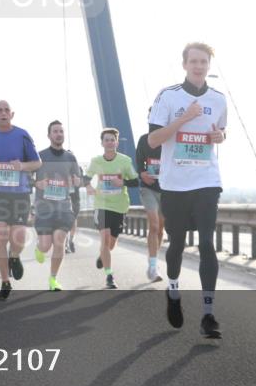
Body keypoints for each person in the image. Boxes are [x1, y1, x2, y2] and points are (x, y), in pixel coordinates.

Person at [148, 41, 227, 339]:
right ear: (184, 65)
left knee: (207, 243)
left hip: (207, 181)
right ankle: (173, 291)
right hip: (175, 184)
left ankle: (208, 314)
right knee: (177, 243)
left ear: (209, 65)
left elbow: (220, 131)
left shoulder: (219, 99)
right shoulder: (168, 97)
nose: (198, 66)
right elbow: (154, 140)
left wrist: (220, 136)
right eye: (193, 61)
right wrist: (184, 118)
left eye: (203, 62)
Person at [0, 100, 41, 300]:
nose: (3, 113)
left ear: (12, 114)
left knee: (19, 236)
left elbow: (37, 163)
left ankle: (14, 256)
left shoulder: (22, 135)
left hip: (19, 193)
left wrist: (21, 166)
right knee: (0, 236)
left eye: (6, 110)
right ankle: (5, 281)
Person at [85, 128, 139, 289]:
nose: (109, 142)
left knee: (111, 244)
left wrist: (123, 182)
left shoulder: (125, 161)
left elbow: (136, 182)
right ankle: (109, 276)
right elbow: (85, 178)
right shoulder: (96, 161)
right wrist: (88, 186)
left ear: (116, 142)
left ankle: (103, 255)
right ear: (102, 143)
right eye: (106, 139)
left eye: (112, 139)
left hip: (119, 206)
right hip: (102, 204)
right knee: (105, 239)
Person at [33, 120, 83, 291]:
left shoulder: (70, 157)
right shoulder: (39, 156)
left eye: (61, 131)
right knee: (46, 245)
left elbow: (78, 180)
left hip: (63, 207)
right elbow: (26, 177)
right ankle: (39, 249)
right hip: (43, 208)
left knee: (59, 241)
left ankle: (53, 279)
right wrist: (37, 183)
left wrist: (77, 181)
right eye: (55, 131)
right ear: (49, 135)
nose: (59, 134)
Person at [135, 119, 165, 282]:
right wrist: (142, 174)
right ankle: (153, 267)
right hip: (148, 188)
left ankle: (153, 260)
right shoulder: (143, 139)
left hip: (166, 189)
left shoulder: (170, 139)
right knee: (153, 225)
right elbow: (139, 162)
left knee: (160, 229)